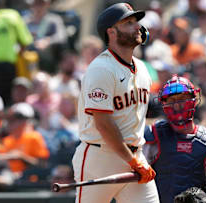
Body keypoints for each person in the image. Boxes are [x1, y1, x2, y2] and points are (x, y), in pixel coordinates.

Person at [72, 3, 159, 203]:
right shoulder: (101, 68)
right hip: (101, 156)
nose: (137, 26)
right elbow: (103, 124)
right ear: (111, 32)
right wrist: (132, 161)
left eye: (136, 22)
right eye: (128, 23)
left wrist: (135, 159)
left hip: (135, 155)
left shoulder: (143, 69)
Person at [144, 75, 206, 203]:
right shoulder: (152, 136)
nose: (177, 105)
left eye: (182, 99)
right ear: (163, 104)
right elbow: (136, 182)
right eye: (171, 100)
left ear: (194, 100)